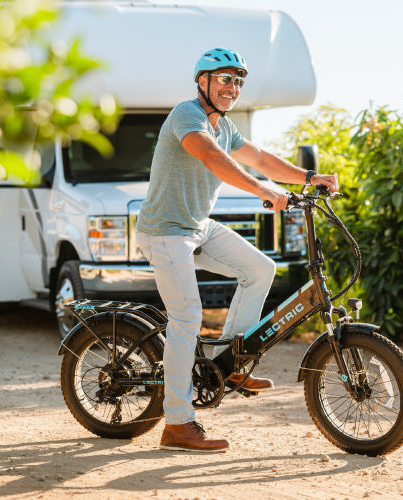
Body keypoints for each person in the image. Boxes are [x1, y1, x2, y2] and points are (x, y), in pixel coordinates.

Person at [135, 47, 339, 452]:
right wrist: (263, 190)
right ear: (202, 81)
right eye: (225, 78)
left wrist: (309, 177)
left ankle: (230, 363)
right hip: (164, 230)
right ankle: (176, 423)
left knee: (260, 269)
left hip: (196, 226)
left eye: (239, 80)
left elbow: (259, 158)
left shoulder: (226, 126)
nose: (233, 87)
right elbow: (212, 159)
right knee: (188, 315)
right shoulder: (186, 116)